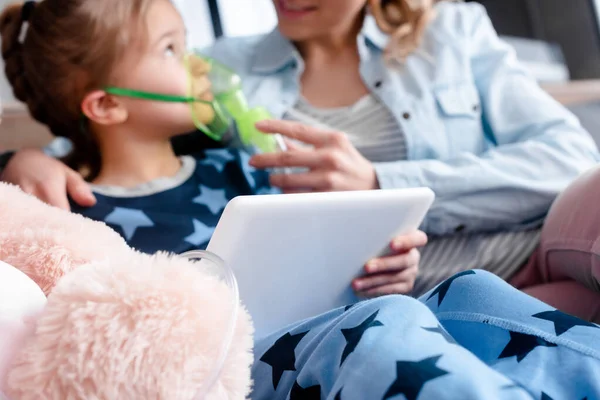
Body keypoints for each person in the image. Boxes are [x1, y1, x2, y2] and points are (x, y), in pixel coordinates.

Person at [2, 2, 600, 399]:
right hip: (259, 353)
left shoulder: (237, 165)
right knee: (389, 323)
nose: (199, 68)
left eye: (187, 47)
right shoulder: (80, 208)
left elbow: (320, 252)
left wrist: (379, 253)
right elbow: (78, 128)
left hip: (371, 305)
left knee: (467, 294)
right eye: (172, 51)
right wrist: (15, 163)